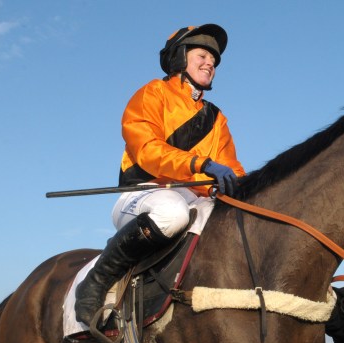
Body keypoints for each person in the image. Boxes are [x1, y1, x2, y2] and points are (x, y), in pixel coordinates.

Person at [75, 24, 246, 325]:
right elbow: (148, 150)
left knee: (224, 223)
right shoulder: (152, 93)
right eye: (203, 55)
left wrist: (241, 190)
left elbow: (231, 169)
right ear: (180, 58)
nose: (211, 64)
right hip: (142, 192)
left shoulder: (216, 118)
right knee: (173, 212)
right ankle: (98, 279)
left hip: (190, 197)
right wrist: (201, 165)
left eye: (215, 61)